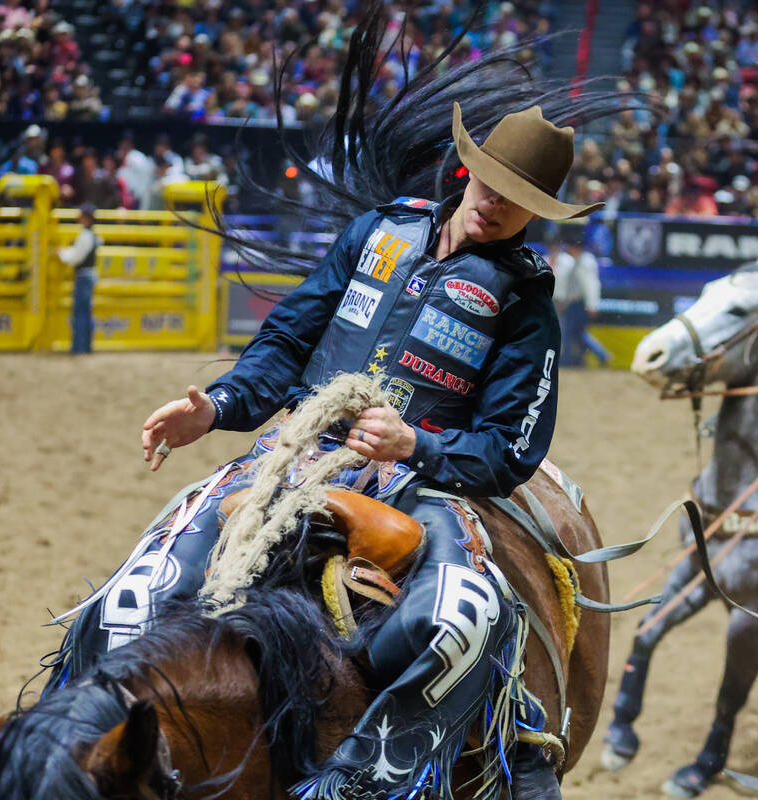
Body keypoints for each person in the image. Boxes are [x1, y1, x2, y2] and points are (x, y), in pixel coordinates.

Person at [46, 103, 596, 800]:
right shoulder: (379, 233)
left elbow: (509, 451)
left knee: (463, 617)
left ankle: (363, 780)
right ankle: (62, 744)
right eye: (492, 187)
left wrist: (415, 443)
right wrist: (216, 407)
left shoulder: (525, 304)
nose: (498, 207)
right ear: (469, 170)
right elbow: (289, 338)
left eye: (520, 202)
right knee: (135, 593)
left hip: (422, 486)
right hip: (296, 455)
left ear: (539, 211)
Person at [552, 224, 610, 366]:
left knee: (573, 332)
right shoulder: (578, 261)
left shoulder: (585, 262)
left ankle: (596, 355)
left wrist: (592, 305)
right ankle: (581, 358)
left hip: (579, 303)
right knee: (576, 333)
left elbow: (591, 285)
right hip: (575, 303)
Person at [58, 203, 101, 354]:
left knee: (80, 313)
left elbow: (76, 257)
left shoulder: (85, 236)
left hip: (83, 276)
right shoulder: (93, 236)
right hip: (89, 275)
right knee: (86, 312)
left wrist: (63, 254)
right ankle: (86, 346)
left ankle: (79, 347)